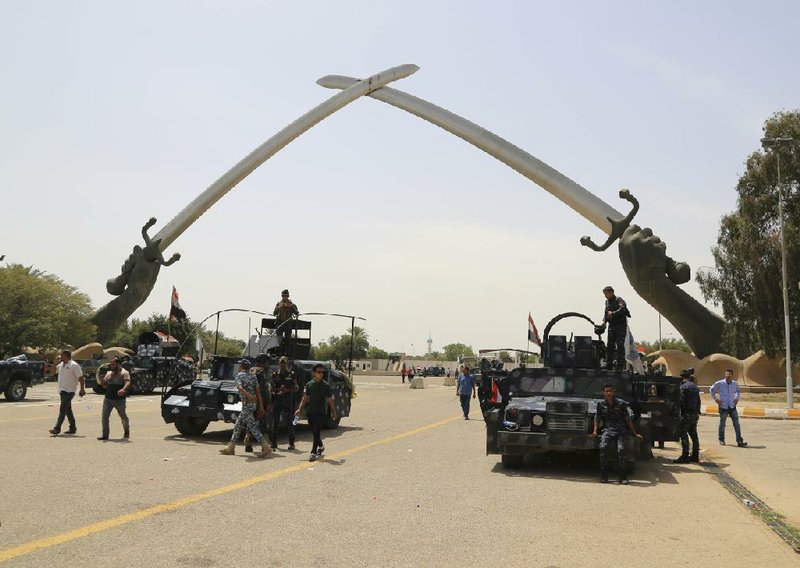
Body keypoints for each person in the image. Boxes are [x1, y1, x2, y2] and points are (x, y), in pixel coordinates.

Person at [590, 384, 643, 484]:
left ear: (613, 392)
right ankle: (604, 476)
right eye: (607, 391)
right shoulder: (600, 404)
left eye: (611, 391)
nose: (609, 393)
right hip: (608, 430)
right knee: (603, 448)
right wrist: (595, 431)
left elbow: (628, 419)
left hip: (621, 431)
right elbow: (597, 418)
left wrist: (635, 434)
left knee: (621, 450)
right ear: (603, 393)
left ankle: (622, 477)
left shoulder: (621, 404)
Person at [219, 359, 271, 458]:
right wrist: (260, 406)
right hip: (253, 404)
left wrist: (249, 396)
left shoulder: (239, 375)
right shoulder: (253, 376)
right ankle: (231, 447)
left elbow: (240, 388)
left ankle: (266, 447)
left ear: (241, 366)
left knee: (252, 427)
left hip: (247, 404)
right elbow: (258, 393)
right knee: (238, 425)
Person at [295, 363, 336, 461]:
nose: (321, 374)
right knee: (313, 431)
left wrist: (334, 412)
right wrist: (300, 409)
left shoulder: (326, 385)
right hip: (310, 411)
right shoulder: (309, 385)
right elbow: (305, 398)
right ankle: (321, 446)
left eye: (322, 372)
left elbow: (330, 399)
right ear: (314, 373)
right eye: (319, 372)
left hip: (321, 411)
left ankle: (313, 452)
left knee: (317, 430)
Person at [49, 350, 85, 436]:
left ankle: (57, 428)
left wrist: (82, 389)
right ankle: (73, 428)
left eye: (62, 355)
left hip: (70, 391)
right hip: (62, 390)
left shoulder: (74, 365)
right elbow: (52, 373)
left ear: (66, 356)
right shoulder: (61, 365)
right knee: (68, 410)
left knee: (62, 409)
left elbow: (80, 377)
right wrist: (54, 363)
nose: (60, 357)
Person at [710, 369, 747, 447]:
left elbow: (738, 391)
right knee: (722, 424)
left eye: (729, 374)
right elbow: (711, 390)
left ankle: (739, 441)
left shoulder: (734, 383)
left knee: (736, 424)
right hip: (723, 407)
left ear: (732, 375)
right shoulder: (720, 383)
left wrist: (737, 399)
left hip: (732, 406)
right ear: (725, 375)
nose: (728, 376)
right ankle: (721, 439)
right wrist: (716, 400)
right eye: (726, 374)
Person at [98, 357, 131, 441]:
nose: (111, 366)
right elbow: (104, 385)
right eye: (111, 364)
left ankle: (126, 431)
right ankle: (105, 435)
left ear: (118, 364)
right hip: (108, 399)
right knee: (104, 417)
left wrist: (123, 389)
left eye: (113, 364)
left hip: (119, 400)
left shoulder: (124, 372)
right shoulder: (108, 373)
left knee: (123, 416)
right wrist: (102, 378)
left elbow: (127, 382)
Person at [269, 356, 298, 450]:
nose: (282, 364)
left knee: (289, 422)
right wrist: (279, 389)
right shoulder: (274, 375)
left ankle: (291, 443)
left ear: (286, 363)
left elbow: (296, 387)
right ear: (279, 364)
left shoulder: (291, 374)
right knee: (275, 423)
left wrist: (287, 390)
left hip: (287, 401)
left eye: (284, 362)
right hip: (277, 400)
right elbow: (271, 388)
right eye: (281, 363)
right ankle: (273, 442)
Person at [673, 369, 701, 463]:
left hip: (686, 414)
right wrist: (697, 412)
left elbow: (681, 401)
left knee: (683, 434)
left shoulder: (683, 387)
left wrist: (681, 413)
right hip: (694, 414)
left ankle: (685, 456)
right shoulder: (695, 387)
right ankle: (695, 455)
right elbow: (698, 401)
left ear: (681, 377)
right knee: (694, 434)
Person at [600, 286, 630, 370]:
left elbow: (623, 309)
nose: (605, 296)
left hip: (620, 325)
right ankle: (609, 364)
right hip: (612, 325)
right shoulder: (607, 302)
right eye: (604, 294)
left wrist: (613, 313)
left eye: (606, 293)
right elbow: (606, 313)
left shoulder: (619, 300)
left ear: (611, 292)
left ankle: (620, 365)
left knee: (620, 345)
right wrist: (603, 322)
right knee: (610, 345)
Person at [273, 289, 299, 353]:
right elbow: (274, 313)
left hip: (288, 324)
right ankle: (279, 354)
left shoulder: (292, 305)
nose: (285, 297)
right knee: (279, 340)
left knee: (288, 340)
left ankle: (287, 354)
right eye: (283, 296)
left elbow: (297, 313)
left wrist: (291, 307)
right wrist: (278, 308)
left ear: (288, 296)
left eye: (286, 296)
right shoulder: (278, 304)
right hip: (280, 324)